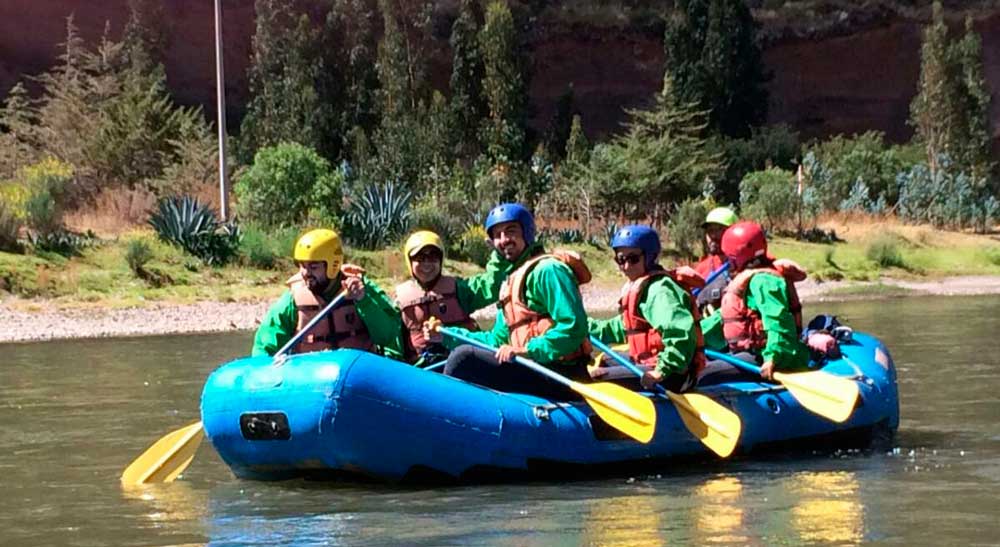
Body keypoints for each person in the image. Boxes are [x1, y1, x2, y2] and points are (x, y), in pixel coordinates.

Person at [425, 203, 592, 399]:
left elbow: (574, 326)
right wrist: (446, 336)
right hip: (533, 367)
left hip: (560, 373)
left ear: (527, 233)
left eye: (510, 231)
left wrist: (527, 351)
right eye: (497, 235)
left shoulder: (549, 270)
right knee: (459, 354)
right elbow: (496, 340)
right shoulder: (511, 282)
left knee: (463, 360)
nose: (504, 240)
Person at [251, 228, 405, 359]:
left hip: (357, 378)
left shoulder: (362, 289)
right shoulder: (292, 299)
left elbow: (389, 336)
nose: (305, 273)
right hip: (313, 380)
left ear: (333, 265)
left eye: (313, 267)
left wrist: (363, 301)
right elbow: (265, 347)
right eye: (302, 266)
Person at [588, 225, 706, 392]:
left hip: (672, 373)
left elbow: (681, 335)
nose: (626, 266)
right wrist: (584, 327)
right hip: (648, 363)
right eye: (621, 259)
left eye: (633, 258)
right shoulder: (642, 288)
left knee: (596, 378)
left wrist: (661, 371)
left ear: (650, 257)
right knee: (605, 360)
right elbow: (621, 327)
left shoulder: (659, 291)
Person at [699, 221, 810, 383]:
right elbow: (721, 318)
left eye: (730, 258)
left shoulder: (763, 281)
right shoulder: (749, 278)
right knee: (697, 365)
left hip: (771, 356)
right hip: (752, 353)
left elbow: (778, 321)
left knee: (704, 375)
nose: (728, 263)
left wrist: (772, 358)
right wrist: (691, 337)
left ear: (739, 256)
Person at [393, 230, 511, 364]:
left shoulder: (460, 290)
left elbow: (492, 283)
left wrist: (499, 257)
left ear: (441, 260)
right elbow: (391, 340)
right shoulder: (400, 300)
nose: (427, 263)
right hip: (421, 369)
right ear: (410, 262)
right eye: (419, 258)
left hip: (462, 364)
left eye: (433, 257)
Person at [693, 206, 738, 315]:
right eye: (710, 231)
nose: (713, 236)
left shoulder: (748, 264)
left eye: (720, 230)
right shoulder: (702, 269)